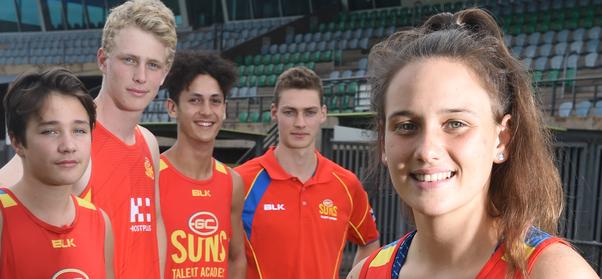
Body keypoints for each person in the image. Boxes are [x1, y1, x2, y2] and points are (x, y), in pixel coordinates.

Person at [349, 8, 598, 279]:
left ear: (501, 139)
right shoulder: (366, 273)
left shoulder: (552, 273)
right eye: (407, 126)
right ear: (384, 141)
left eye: (455, 123)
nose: (427, 150)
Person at [0, 1, 177, 278]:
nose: (141, 76)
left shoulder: (148, 142)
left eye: (153, 64)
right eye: (129, 60)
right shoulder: (75, 139)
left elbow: (153, 226)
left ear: (164, 74)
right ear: (103, 60)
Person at [0, 68, 114, 278]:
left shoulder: (99, 222)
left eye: (79, 130)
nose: (68, 145)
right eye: (50, 131)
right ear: (18, 141)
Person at [235, 66, 380, 278]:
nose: (300, 123)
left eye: (309, 112)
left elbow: (369, 242)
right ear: (274, 113)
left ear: (323, 114)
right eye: (290, 112)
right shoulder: (242, 180)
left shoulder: (346, 184)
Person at [159, 51, 246, 279]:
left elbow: (236, 258)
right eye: (195, 100)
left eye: (215, 101)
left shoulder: (232, 182)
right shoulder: (150, 177)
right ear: (172, 107)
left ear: (224, 109)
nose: (206, 111)